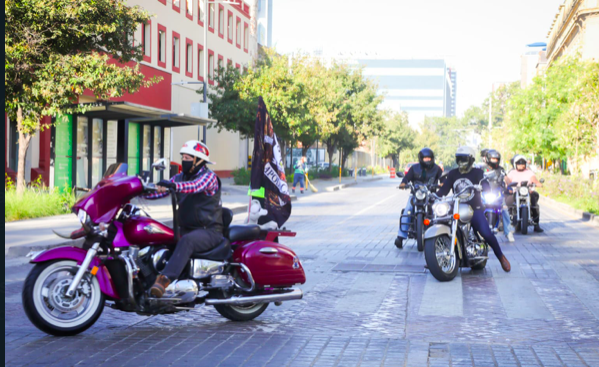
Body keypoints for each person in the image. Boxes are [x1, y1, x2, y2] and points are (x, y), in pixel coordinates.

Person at [145, 140, 224, 298]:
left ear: (199, 160)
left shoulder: (209, 177)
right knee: (157, 234)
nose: (184, 160)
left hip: (209, 230)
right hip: (187, 228)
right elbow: (159, 192)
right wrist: (139, 189)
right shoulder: (180, 177)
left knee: (187, 241)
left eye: (188, 157)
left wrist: (171, 186)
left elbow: (194, 186)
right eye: (183, 157)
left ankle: (164, 280)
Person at [435, 146, 511, 272]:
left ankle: (501, 257)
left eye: (464, 159)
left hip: (474, 209)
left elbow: (485, 184)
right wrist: (434, 196)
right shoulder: (453, 173)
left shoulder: (477, 173)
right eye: (459, 159)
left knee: (486, 233)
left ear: (470, 160)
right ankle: (435, 259)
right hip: (457, 208)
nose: (461, 162)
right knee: (439, 222)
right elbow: (444, 189)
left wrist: (485, 188)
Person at [396, 148, 443, 249]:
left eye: (429, 158)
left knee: (441, 210)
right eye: (425, 158)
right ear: (421, 158)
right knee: (408, 210)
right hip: (416, 194)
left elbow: (442, 179)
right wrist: (403, 184)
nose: (427, 160)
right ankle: (400, 237)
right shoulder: (414, 168)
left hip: (431, 194)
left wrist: (443, 184)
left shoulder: (437, 169)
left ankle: (441, 235)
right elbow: (406, 178)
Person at [505, 154, 544, 233]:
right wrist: (508, 185)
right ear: (515, 164)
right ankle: (507, 221)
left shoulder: (529, 172)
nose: (521, 165)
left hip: (527, 191)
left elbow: (533, 179)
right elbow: (507, 180)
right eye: (519, 163)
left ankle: (536, 224)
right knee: (508, 203)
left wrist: (537, 183)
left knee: (535, 203)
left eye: (523, 163)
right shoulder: (512, 172)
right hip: (516, 191)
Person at [485, 149, 515, 242]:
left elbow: (507, 179)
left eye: (496, 159)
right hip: (484, 193)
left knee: (504, 210)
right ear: (488, 158)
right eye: (493, 159)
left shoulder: (501, 170)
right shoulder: (483, 169)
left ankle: (508, 232)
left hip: (497, 194)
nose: (495, 161)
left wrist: (509, 187)